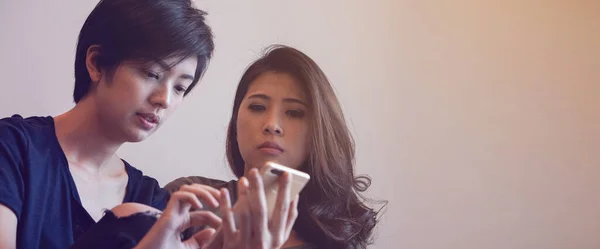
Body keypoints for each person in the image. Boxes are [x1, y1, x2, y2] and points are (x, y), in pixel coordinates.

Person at [0, 1, 297, 248]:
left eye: (180, 88)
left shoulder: (154, 201)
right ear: (96, 63)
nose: (164, 99)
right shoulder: (13, 150)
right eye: (151, 73)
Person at [166, 45, 384, 249]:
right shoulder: (191, 200)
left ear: (318, 130)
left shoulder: (339, 230)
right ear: (235, 121)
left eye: (294, 113)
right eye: (258, 107)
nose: (272, 124)